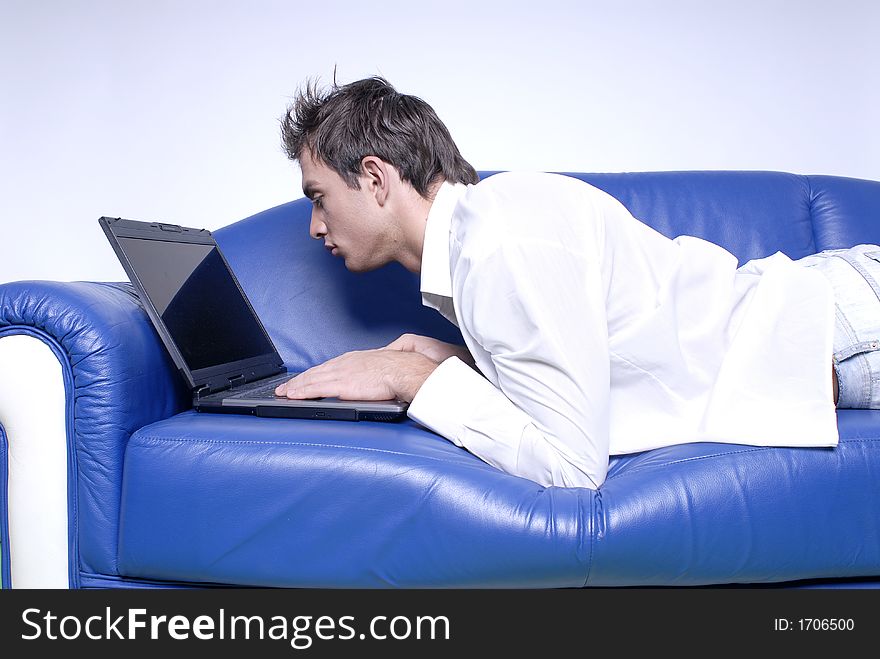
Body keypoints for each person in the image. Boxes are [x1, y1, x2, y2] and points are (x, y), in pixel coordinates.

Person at [275, 75, 876, 489]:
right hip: (838, 317)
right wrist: (463, 361)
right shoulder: (488, 234)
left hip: (849, 324)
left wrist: (416, 379)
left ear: (376, 179)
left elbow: (571, 468)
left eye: (319, 196)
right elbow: (590, 361)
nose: (314, 225)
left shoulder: (500, 245)